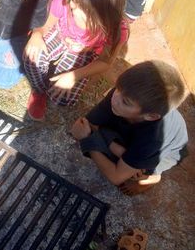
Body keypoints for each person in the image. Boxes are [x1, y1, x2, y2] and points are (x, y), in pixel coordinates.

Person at [23, 0, 128, 121]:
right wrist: (37, 34)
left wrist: (73, 76)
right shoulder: (65, 1)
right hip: (60, 34)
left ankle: (52, 82)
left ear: (106, 15)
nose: (75, 12)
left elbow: (105, 62)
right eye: (74, 6)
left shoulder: (116, 29)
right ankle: (39, 91)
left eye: (84, 12)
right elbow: (46, 24)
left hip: (85, 51)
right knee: (32, 56)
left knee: (64, 99)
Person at [70, 60, 188, 195]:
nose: (114, 98)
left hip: (163, 153)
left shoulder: (153, 139)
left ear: (151, 116)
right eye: (117, 88)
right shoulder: (124, 94)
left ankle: (152, 178)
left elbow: (116, 176)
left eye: (126, 102)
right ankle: (125, 155)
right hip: (134, 129)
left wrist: (87, 139)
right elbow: (89, 123)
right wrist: (120, 151)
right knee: (104, 138)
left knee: (136, 174)